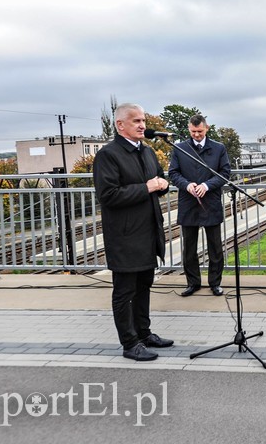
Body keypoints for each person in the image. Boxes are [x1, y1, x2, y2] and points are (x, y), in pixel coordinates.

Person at [93, 103, 174, 361]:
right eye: (136, 121)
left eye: (143, 120)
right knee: (125, 291)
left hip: (148, 232)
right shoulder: (109, 155)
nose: (142, 125)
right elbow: (108, 195)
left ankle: (144, 333)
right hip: (125, 237)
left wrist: (162, 185)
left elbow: (158, 179)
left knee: (144, 286)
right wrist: (148, 187)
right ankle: (129, 343)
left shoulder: (148, 152)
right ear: (120, 125)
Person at [168, 114, 231, 297]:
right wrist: (187, 185)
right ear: (189, 129)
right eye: (193, 131)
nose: (196, 135)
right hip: (188, 202)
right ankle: (192, 283)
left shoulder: (219, 148)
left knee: (215, 248)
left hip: (210, 202)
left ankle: (215, 283)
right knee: (189, 248)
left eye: (200, 131)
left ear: (207, 128)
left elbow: (225, 172)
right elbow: (173, 172)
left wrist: (206, 185)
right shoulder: (180, 149)